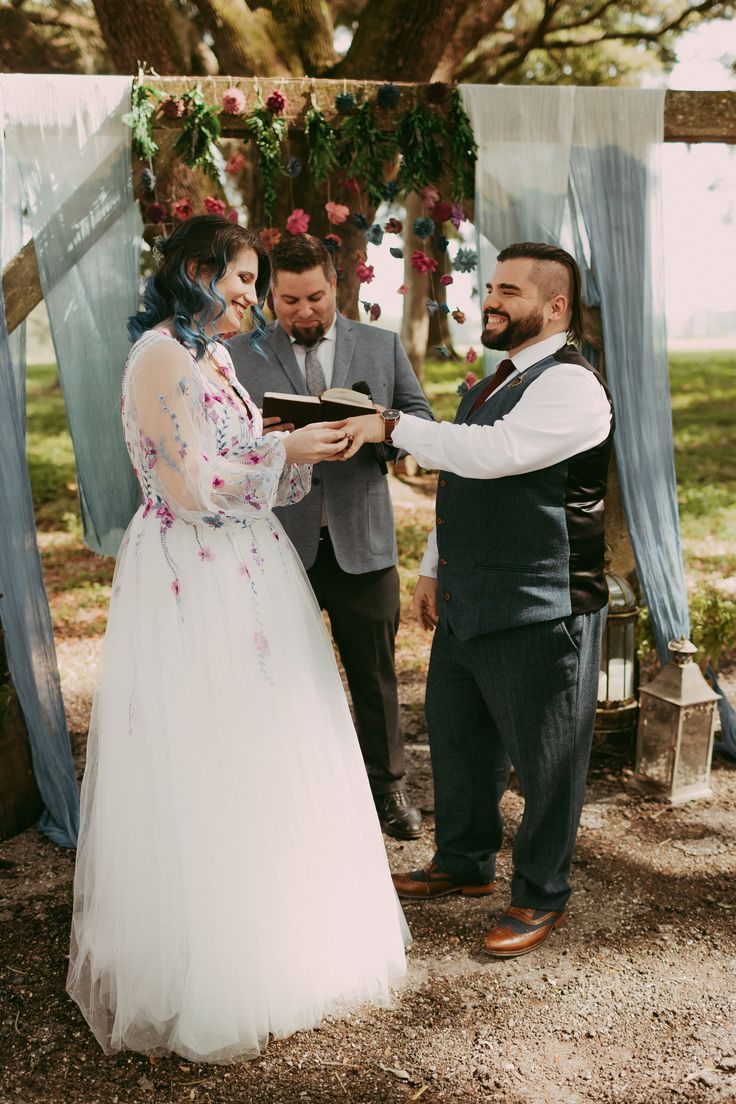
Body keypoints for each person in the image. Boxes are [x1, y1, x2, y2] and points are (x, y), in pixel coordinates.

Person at [66, 215, 408, 1063]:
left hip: (249, 563)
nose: (252, 296)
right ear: (195, 271)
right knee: (207, 743)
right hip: (191, 569)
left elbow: (238, 455)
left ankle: (285, 936)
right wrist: (280, 448)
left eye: (255, 280)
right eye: (243, 278)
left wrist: (294, 447)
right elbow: (186, 485)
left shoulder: (213, 356)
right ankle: (206, 962)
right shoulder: (158, 357)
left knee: (272, 740)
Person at [339, 242, 614, 959]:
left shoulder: (572, 386)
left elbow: (495, 453)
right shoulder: (495, 381)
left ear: (554, 308)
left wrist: (394, 425)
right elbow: (466, 477)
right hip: (469, 594)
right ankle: (463, 862)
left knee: (547, 760)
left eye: (510, 291)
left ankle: (540, 895)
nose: (490, 299)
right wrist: (434, 566)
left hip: (540, 603)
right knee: (460, 739)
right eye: (490, 286)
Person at [229, 234, 433, 841]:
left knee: (374, 673)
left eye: (314, 297)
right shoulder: (238, 353)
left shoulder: (380, 345)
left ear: (336, 287)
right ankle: (285, 792)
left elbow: (418, 422)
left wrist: (380, 432)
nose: (303, 312)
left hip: (361, 542)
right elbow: (224, 441)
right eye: (288, 300)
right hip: (275, 545)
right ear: (271, 294)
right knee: (275, 672)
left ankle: (388, 789)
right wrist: (261, 438)